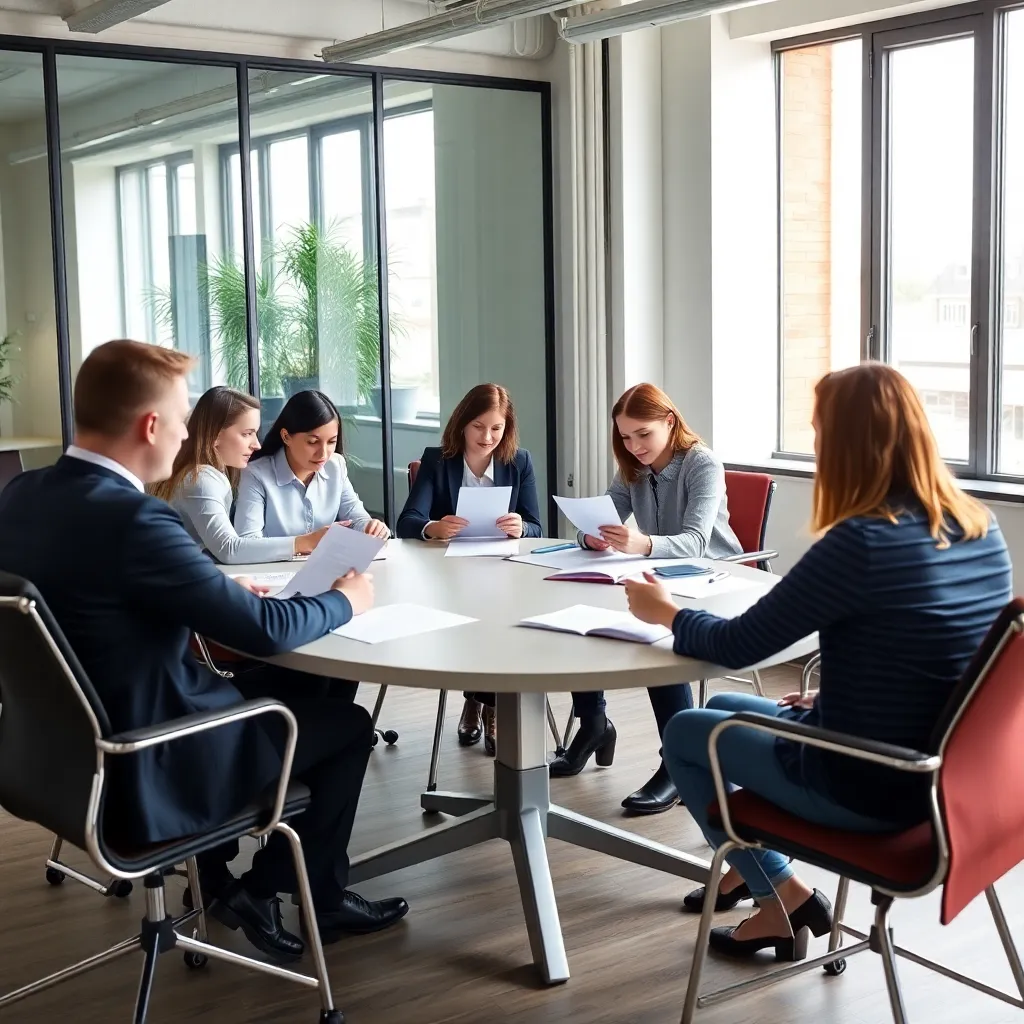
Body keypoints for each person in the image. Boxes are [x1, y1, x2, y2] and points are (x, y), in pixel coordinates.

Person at [0, 341, 408, 966]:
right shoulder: (136, 520)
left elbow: (102, 607)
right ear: (151, 425)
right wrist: (347, 599)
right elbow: (266, 631)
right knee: (347, 726)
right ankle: (275, 887)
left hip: (54, 760)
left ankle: (230, 879)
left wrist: (211, 590)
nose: (191, 429)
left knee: (306, 697)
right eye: (185, 414)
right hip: (155, 757)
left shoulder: (20, 497)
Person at [624, 363, 1011, 962]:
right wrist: (837, 699)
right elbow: (948, 660)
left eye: (818, 430)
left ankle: (781, 898)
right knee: (724, 705)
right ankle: (751, 874)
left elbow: (734, 647)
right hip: (951, 778)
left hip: (868, 782)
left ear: (845, 442)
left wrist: (666, 612)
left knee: (685, 734)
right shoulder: (978, 528)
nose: (815, 443)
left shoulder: (859, 542)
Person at [549, 382, 742, 817]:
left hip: (713, 577)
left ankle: (675, 762)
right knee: (586, 613)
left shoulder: (701, 463)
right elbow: (602, 519)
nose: (634, 446)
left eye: (643, 434)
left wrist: (642, 545)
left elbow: (695, 542)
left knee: (656, 633)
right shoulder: (632, 466)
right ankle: (593, 723)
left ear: (669, 422)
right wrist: (593, 537)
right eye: (625, 436)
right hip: (662, 575)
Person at [397, 383, 543, 756]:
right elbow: (408, 521)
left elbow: (537, 527)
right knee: (486, 618)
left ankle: (483, 703)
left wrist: (520, 526)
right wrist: (434, 527)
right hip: (449, 576)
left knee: (501, 616)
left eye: (496, 428)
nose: (487, 437)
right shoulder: (437, 459)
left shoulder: (519, 461)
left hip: (505, 571)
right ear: (462, 423)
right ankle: (487, 703)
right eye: (479, 426)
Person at [152, 386, 329, 563]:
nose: (257, 445)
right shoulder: (201, 478)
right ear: (216, 435)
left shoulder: (210, 474)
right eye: (247, 434)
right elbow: (228, 549)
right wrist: (305, 542)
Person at [234, 389, 390, 544]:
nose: (323, 453)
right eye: (313, 442)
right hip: (273, 568)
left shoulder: (336, 466)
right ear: (286, 436)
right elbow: (247, 542)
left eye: (331, 442)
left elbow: (356, 518)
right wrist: (303, 542)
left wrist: (370, 526)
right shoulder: (255, 474)